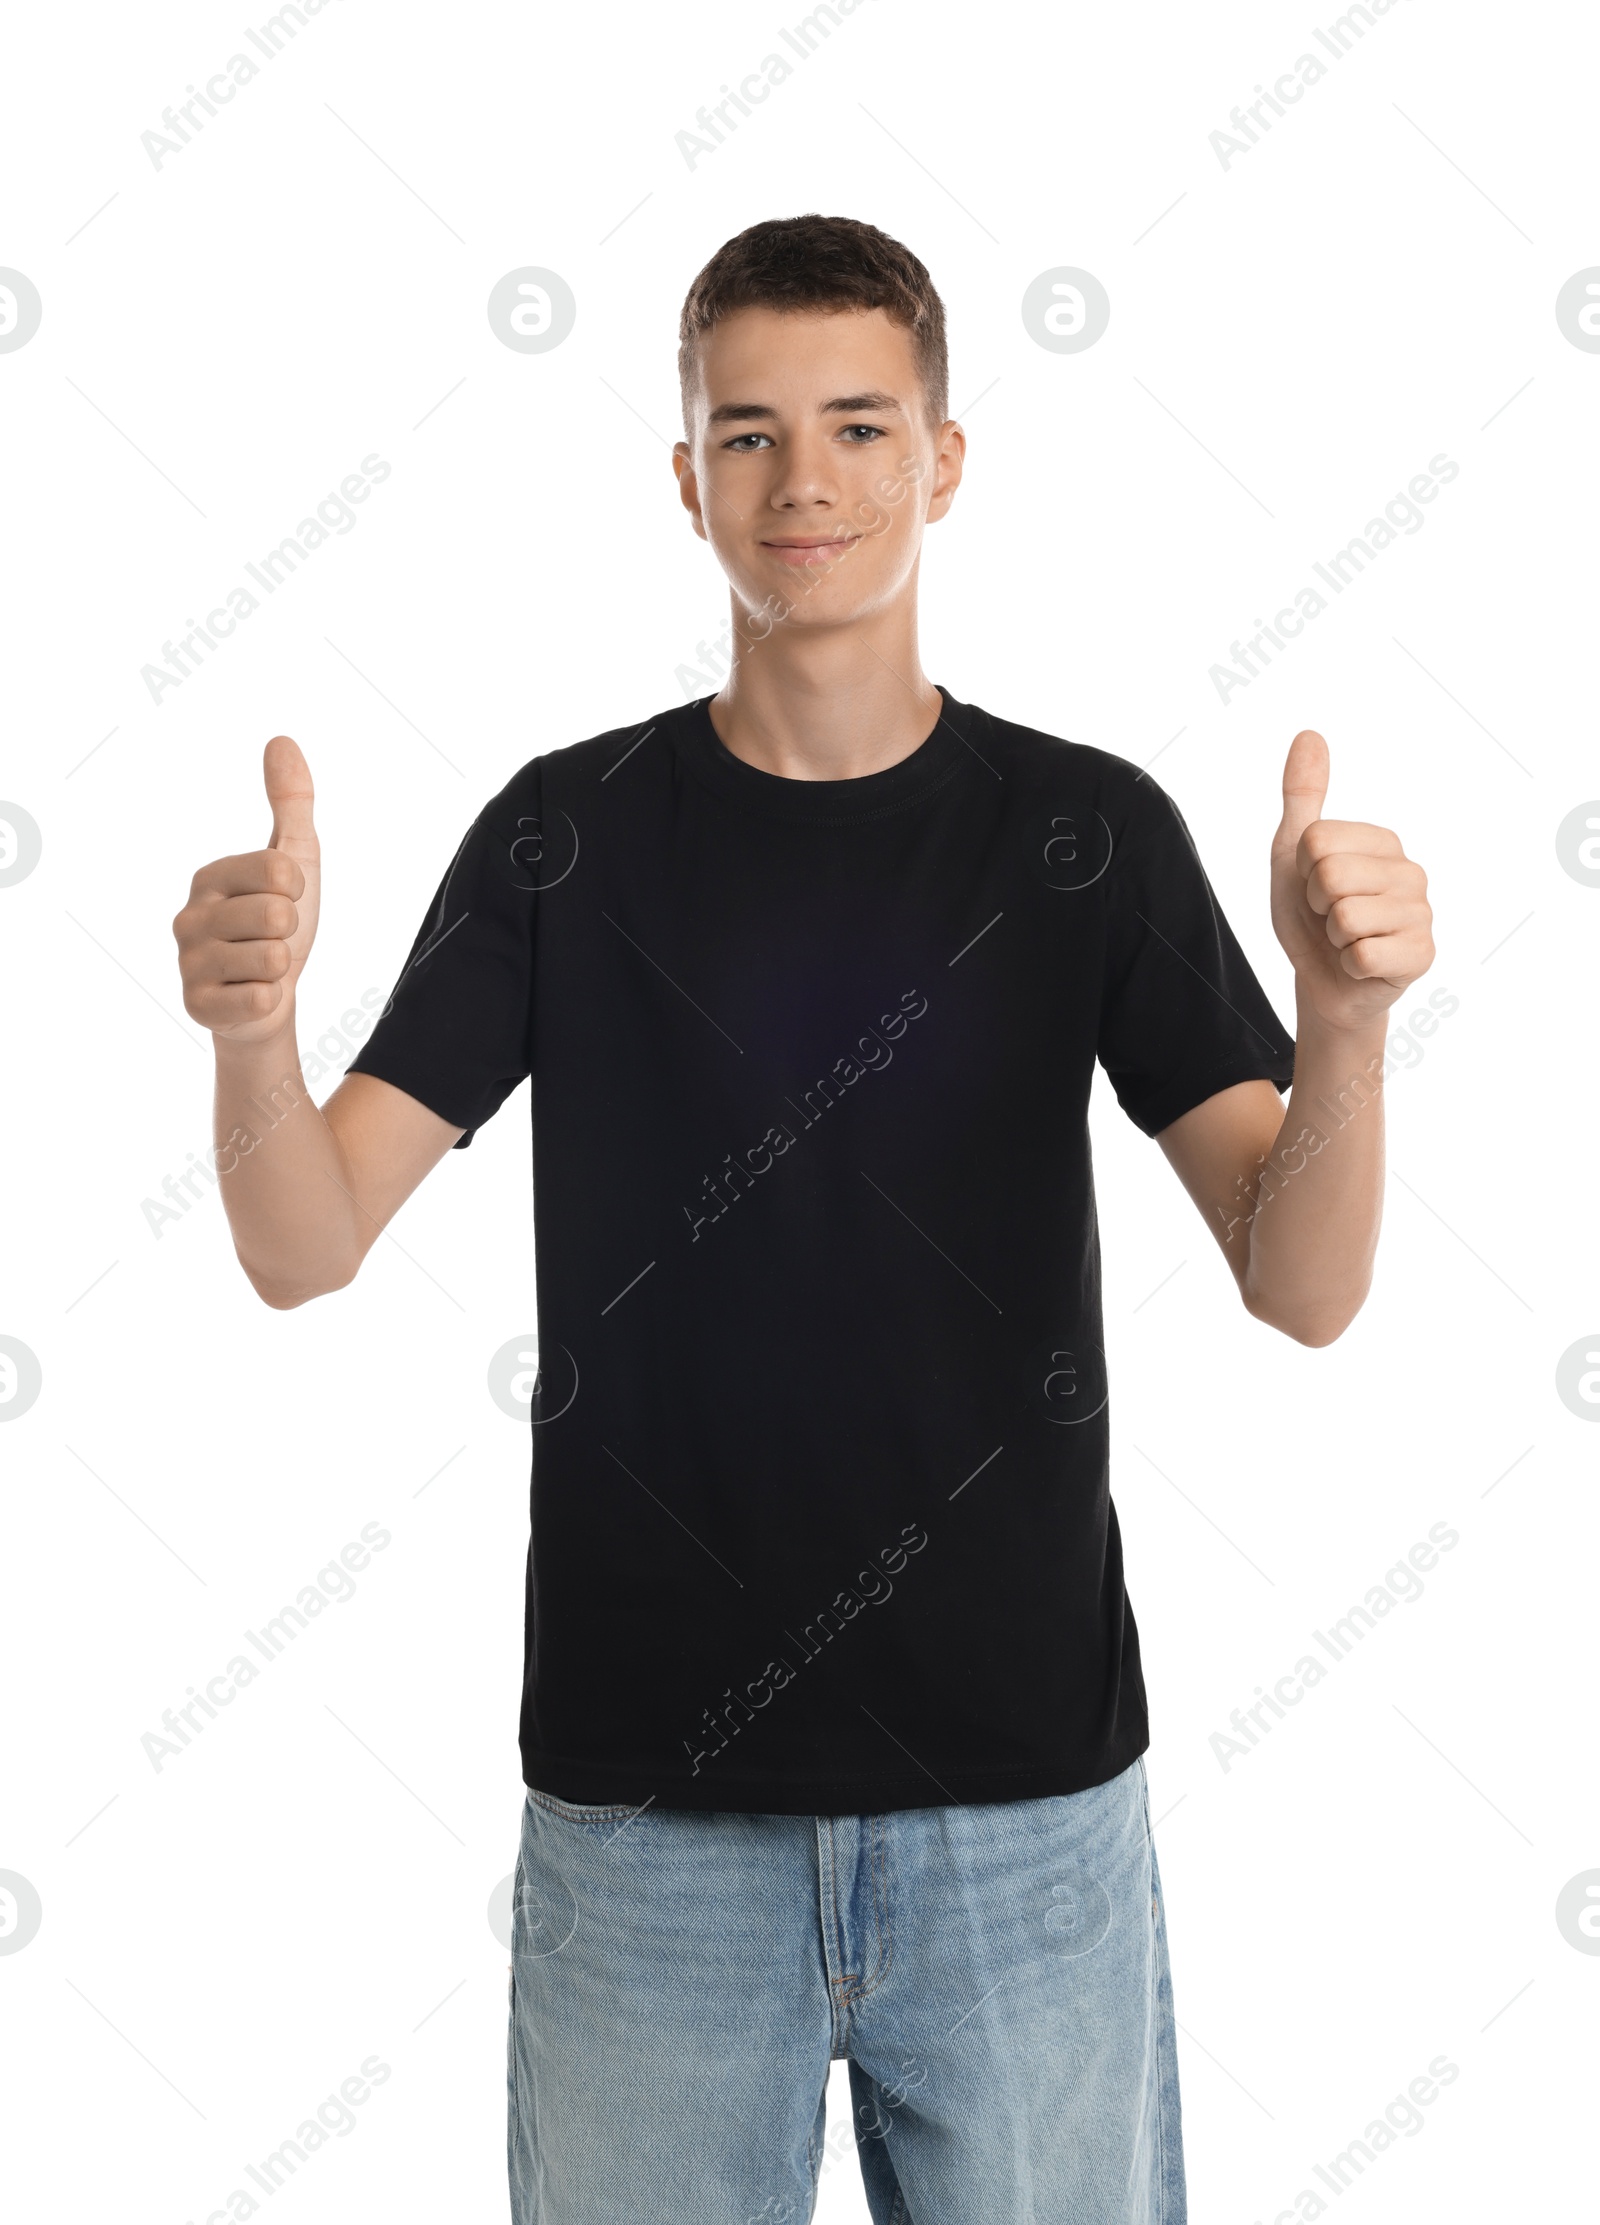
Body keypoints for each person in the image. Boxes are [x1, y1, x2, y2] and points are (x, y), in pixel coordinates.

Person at [172, 214, 1435, 2224]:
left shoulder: (1079, 835)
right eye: (745, 435)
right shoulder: (557, 838)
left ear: (941, 459)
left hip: (1019, 1811)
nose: (803, 482)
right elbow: (305, 1239)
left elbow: (1300, 1285)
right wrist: (249, 1037)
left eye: (855, 425)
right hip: (650, 1821)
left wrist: (1347, 1025)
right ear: (684, 481)